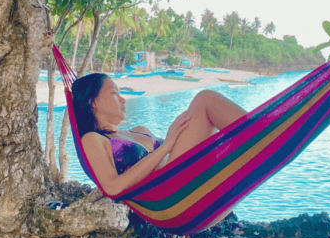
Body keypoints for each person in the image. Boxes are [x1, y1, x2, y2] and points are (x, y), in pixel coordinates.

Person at [74, 73, 248, 197]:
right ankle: (261, 131)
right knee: (205, 99)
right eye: (114, 93)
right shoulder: (93, 139)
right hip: (172, 193)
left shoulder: (140, 130)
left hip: (190, 174)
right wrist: (166, 146)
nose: (123, 99)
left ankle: (260, 136)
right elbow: (112, 187)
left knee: (207, 102)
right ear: (93, 102)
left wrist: (172, 141)